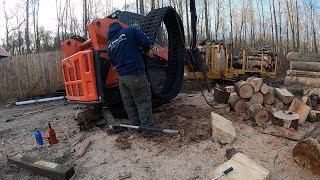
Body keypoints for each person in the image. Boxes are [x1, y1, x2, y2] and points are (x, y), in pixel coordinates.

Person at [106, 21, 155, 130]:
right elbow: (145, 42)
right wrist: (148, 52)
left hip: (122, 78)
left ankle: (135, 126)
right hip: (135, 74)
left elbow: (113, 62)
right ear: (119, 26)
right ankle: (148, 129)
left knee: (129, 103)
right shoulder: (130, 31)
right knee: (142, 101)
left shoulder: (109, 44)